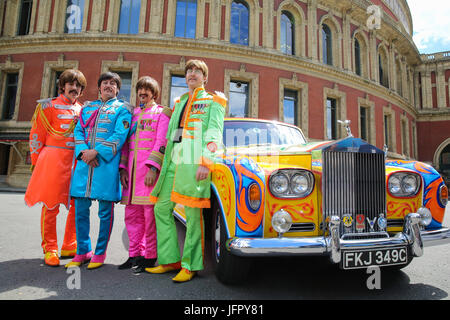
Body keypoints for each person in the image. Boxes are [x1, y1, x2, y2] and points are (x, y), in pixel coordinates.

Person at [146, 59, 226, 282]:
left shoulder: (214, 102)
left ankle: (190, 265)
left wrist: (206, 162)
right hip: (174, 162)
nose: (192, 74)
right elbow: (175, 134)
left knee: (192, 216)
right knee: (161, 209)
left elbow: (214, 134)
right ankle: (170, 260)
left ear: (205, 77)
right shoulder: (180, 102)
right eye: (189, 71)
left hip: (193, 163)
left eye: (197, 71)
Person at [66, 72, 132, 270]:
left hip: (105, 165)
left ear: (118, 89)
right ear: (99, 87)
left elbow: (120, 134)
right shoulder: (87, 108)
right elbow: (78, 131)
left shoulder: (122, 109)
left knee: (105, 212)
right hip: (84, 164)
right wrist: (83, 153)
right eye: (105, 83)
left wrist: (97, 152)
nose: (109, 86)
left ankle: (100, 252)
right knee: (80, 211)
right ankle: (83, 251)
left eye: (113, 83)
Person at [25, 69, 87, 267]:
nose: (74, 88)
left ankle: (70, 244)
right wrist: (37, 164)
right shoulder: (47, 106)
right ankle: (50, 248)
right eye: (71, 84)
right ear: (62, 85)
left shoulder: (83, 110)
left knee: (76, 205)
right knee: (51, 206)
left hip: (76, 162)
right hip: (52, 160)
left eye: (78, 85)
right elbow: (36, 137)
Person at [118, 76, 171, 273]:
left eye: (147, 89)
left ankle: (150, 257)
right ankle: (134, 255)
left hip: (148, 173)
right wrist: (123, 169)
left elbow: (162, 142)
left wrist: (153, 168)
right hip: (131, 175)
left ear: (154, 93)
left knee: (149, 218)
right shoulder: (132, 115)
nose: (143, 92)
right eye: (140, 89)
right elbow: (125, 145)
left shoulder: (161, 113)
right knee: (131, 217)